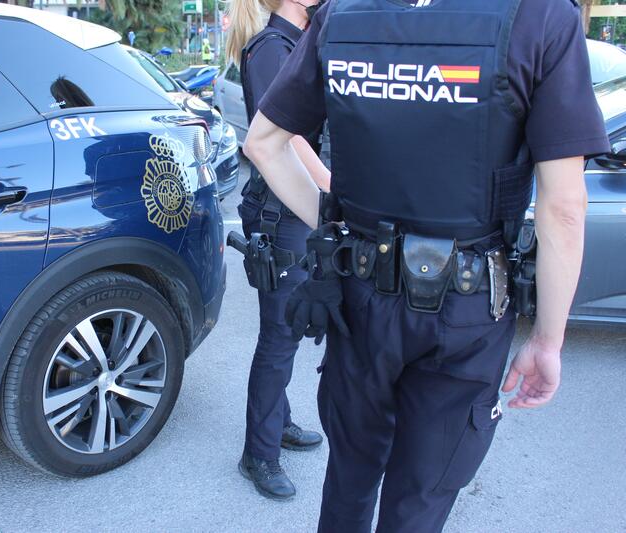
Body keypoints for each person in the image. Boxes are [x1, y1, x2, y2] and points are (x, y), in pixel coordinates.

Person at [244, 0, 608, 530]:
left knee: (347, 481)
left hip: (359, 297)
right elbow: (564, 208)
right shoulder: (540, 16)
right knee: (420, 501)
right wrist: (548, 341)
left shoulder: (340, 14)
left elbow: (263, 143)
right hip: (465, 313)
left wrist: (339, 229)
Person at [226, 0, 330, 501]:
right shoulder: (271, 48)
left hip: (294, 208)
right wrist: (331, 189)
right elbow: (286, 140)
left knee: (286, 329)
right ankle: (258, 453)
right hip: (281, 212)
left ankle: (278, 421)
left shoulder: (297, 43)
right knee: (279, 336)